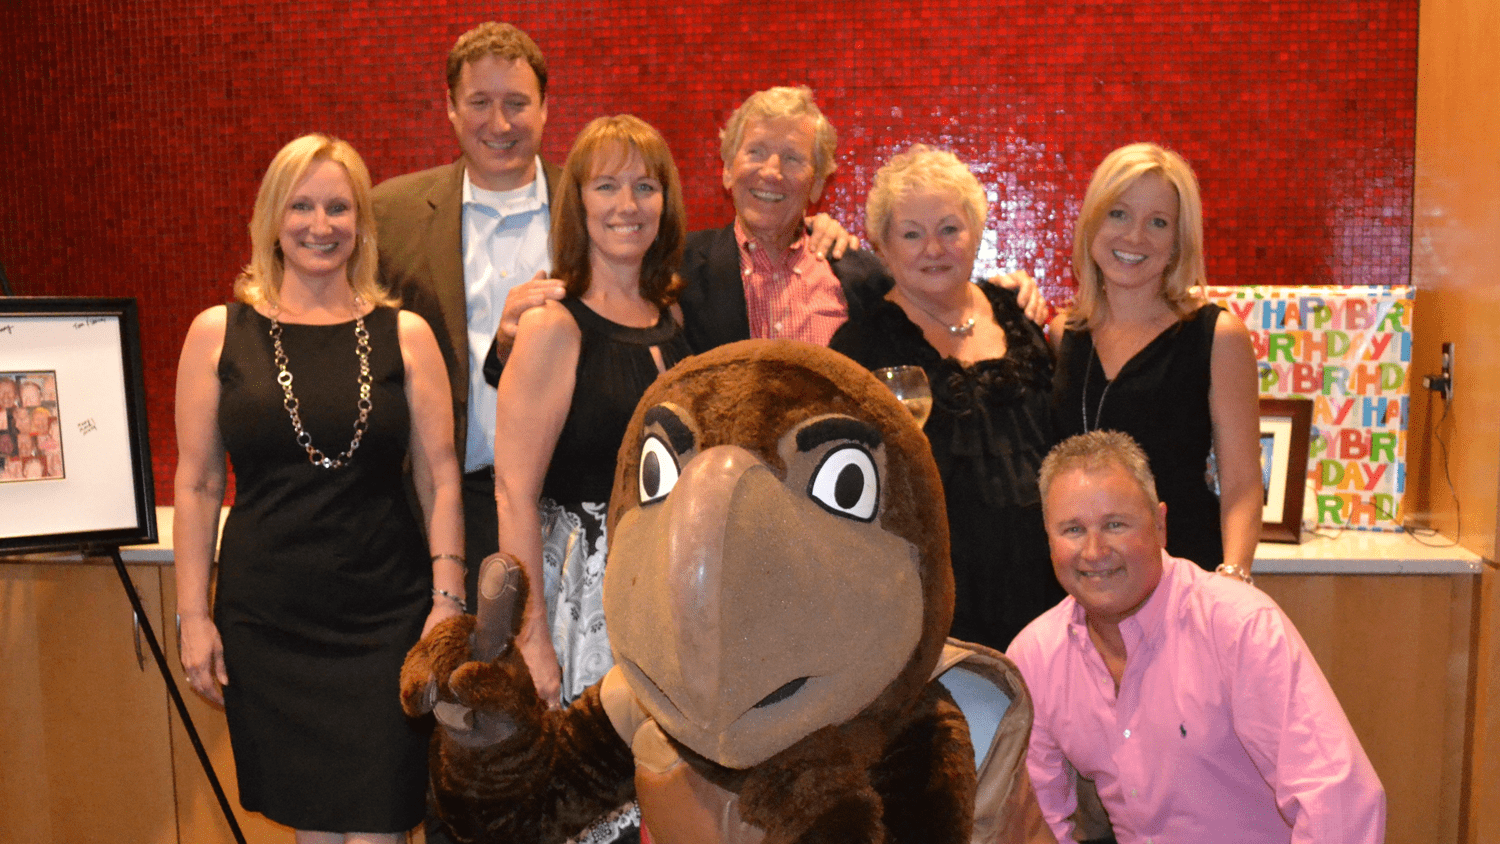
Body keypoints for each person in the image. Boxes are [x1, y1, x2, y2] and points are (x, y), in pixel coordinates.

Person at [174, 133, 464, 844]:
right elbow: (199, 481)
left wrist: (447, 602)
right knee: (313, 829)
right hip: (269, 619)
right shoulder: (218, 333)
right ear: (272, 217)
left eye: (339, 208)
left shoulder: (407, 335)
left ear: (362, 223)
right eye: (301, 205)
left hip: (385, 619)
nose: (320, 225)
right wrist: (192, 616)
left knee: (380, 825)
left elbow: (441, 478)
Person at [1009, 430, 1386, 843]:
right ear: (1048, 539)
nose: (1095, 551)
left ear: (1159, 525)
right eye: (1073, 530)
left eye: (1115, 525)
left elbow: (1340, 801)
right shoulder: (1035, 656)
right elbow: (1035, 821)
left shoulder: (1239, 626)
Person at [492, 113, 691, 714]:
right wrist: (531, 637)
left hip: (668, 590)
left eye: (645, 187)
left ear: (665, 203)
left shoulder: (675, 320)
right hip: (581, 602)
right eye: (606, 186)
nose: (627, 204)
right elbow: (513, 493)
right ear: (577, 203)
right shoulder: (553, 326)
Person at [829, 145, 1061, 650]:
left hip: (1044, 595)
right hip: (928, 603)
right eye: (911, 234)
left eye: (949, 229)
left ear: (976, 233)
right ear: (883, 246)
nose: (933, 248)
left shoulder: (1018, 317)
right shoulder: (860, 347)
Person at [372, 22, 560, 611]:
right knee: (457, 694)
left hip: (573, 507)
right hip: (446, 512)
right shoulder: (389, 215)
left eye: (516, 104)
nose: (499, 124)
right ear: (450, 109)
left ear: (546, 108)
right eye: (479, 102)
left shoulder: (597, 205)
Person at [1050, 142, 1261, 575]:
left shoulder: (1218, 337)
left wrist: (1235, 577)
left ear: (1178, 242)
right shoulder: (1060, 336)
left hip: (1183, 575)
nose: (1134, 237)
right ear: (1092, 222)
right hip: (1082, 577)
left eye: (1158, 222)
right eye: (1118, 213)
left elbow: (1241, 484)